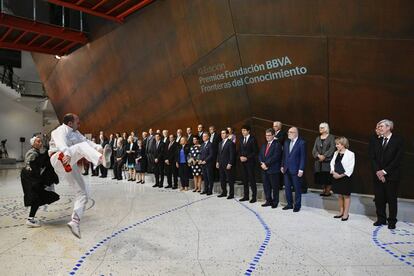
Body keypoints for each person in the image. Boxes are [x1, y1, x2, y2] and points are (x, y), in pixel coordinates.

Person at [48, 113, 111, 238]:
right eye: (78, 121)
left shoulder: (76, 133)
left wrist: (99, 147)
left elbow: (87, 141)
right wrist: (66, 152)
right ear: (70, 123)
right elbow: (61, 143)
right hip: (58, 157)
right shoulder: (59, 130)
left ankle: (75, 222)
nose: (80, 123)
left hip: (69, 162)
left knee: (82, 192)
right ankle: (101, 160)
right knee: (80, 147)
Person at [370, 119, 403, 229]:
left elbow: (397, 159)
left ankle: (392, 221)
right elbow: (373, 158)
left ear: (389, 127)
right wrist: (379, 173)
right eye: (379, 126)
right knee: (379, 199)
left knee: (391, 199)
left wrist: (384, 172)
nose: (379, 128)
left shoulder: (398, 140)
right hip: (378, 175)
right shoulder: (376, 140)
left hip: (392, 175)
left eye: (381, 126)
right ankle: (381, 219)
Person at [21, 136, 60, 227]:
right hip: (30, 180)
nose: (40, 143)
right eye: (38, 142)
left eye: (40, 142)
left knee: (37, 198)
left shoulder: (36, 153)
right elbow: (31, 166)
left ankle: (30, 219)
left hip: (32, 179)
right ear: (33, 143)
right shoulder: (32, 153)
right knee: (36, 198)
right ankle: (30, 220)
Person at [281, 127, 306, 212]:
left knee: (297, 188)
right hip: (286, 169)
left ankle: (297, 205)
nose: (288, 133)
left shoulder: (301, 143)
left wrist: (301, 169)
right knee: (287, 187)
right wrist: (282, 166)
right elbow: (284, 156)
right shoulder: (286, 142)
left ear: (295, 133)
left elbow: (303, 157)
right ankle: (289, 204)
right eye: (288, 132)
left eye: (290, 132)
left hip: (296, 169)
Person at [330, 137, 355, 221]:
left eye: (338, 144)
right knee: (340, 195)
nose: (336, 146)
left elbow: (350, 168)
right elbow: (332, 163)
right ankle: (341, 212)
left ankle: (346, 214)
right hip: (336, 176)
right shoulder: (336, 153)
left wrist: (340, 175)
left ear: (343, 144)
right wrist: (333, 172)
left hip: (345, 178)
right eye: (336, 144)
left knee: (346, 196)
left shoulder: (351, 154)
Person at [259, 128, 283, 208]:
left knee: (275, 187)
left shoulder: (277, 144)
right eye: (266, 135)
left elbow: (276, 157)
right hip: (264, 169)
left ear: (273, 135)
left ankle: (275, 202)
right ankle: (268, 201)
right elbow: (260, 155)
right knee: (266, 186)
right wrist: (262, 163)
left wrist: (266, 164)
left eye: (269, 135)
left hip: (273, 169)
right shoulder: (264, 144)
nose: (267, 137)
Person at [312, 123, 335, 196]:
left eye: (322, 128)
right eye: (320, 127)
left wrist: (324, 156)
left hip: (327, 161)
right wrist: (318, 155)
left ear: (326, 128)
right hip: (319, 161)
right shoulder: (317, 138)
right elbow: (314, 150)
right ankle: (323, 190)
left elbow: (332, 148)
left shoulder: (331, 137)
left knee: (327, 177)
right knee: (321, 177)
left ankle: (328, 191)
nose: (320, 129)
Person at [239, 125, 259, 203]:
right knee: (244, 180)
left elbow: (255, 151)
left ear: (248, 131)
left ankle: (254, 197)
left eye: (244, 130)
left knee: (252, 180)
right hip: (242, 163)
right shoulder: (241, 139)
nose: (242, 132)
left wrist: (247, 158)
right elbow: (239, 150)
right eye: (242, 130)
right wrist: (240, 156)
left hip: (250, 162)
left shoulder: (253, 139)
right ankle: (246, 196)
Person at [216, 129, 236, 199]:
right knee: (222, 179)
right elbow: (218, 154)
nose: (222, 135)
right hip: (221, 164)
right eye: (221, 133)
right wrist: (217, 162)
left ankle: (231, 194)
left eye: (224, 133)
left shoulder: (230, 143)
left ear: (227, 134)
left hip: (227, 164)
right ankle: (224, 192)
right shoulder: (220, 143)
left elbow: (232, 155)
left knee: (230, 179)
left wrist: (230, 163)